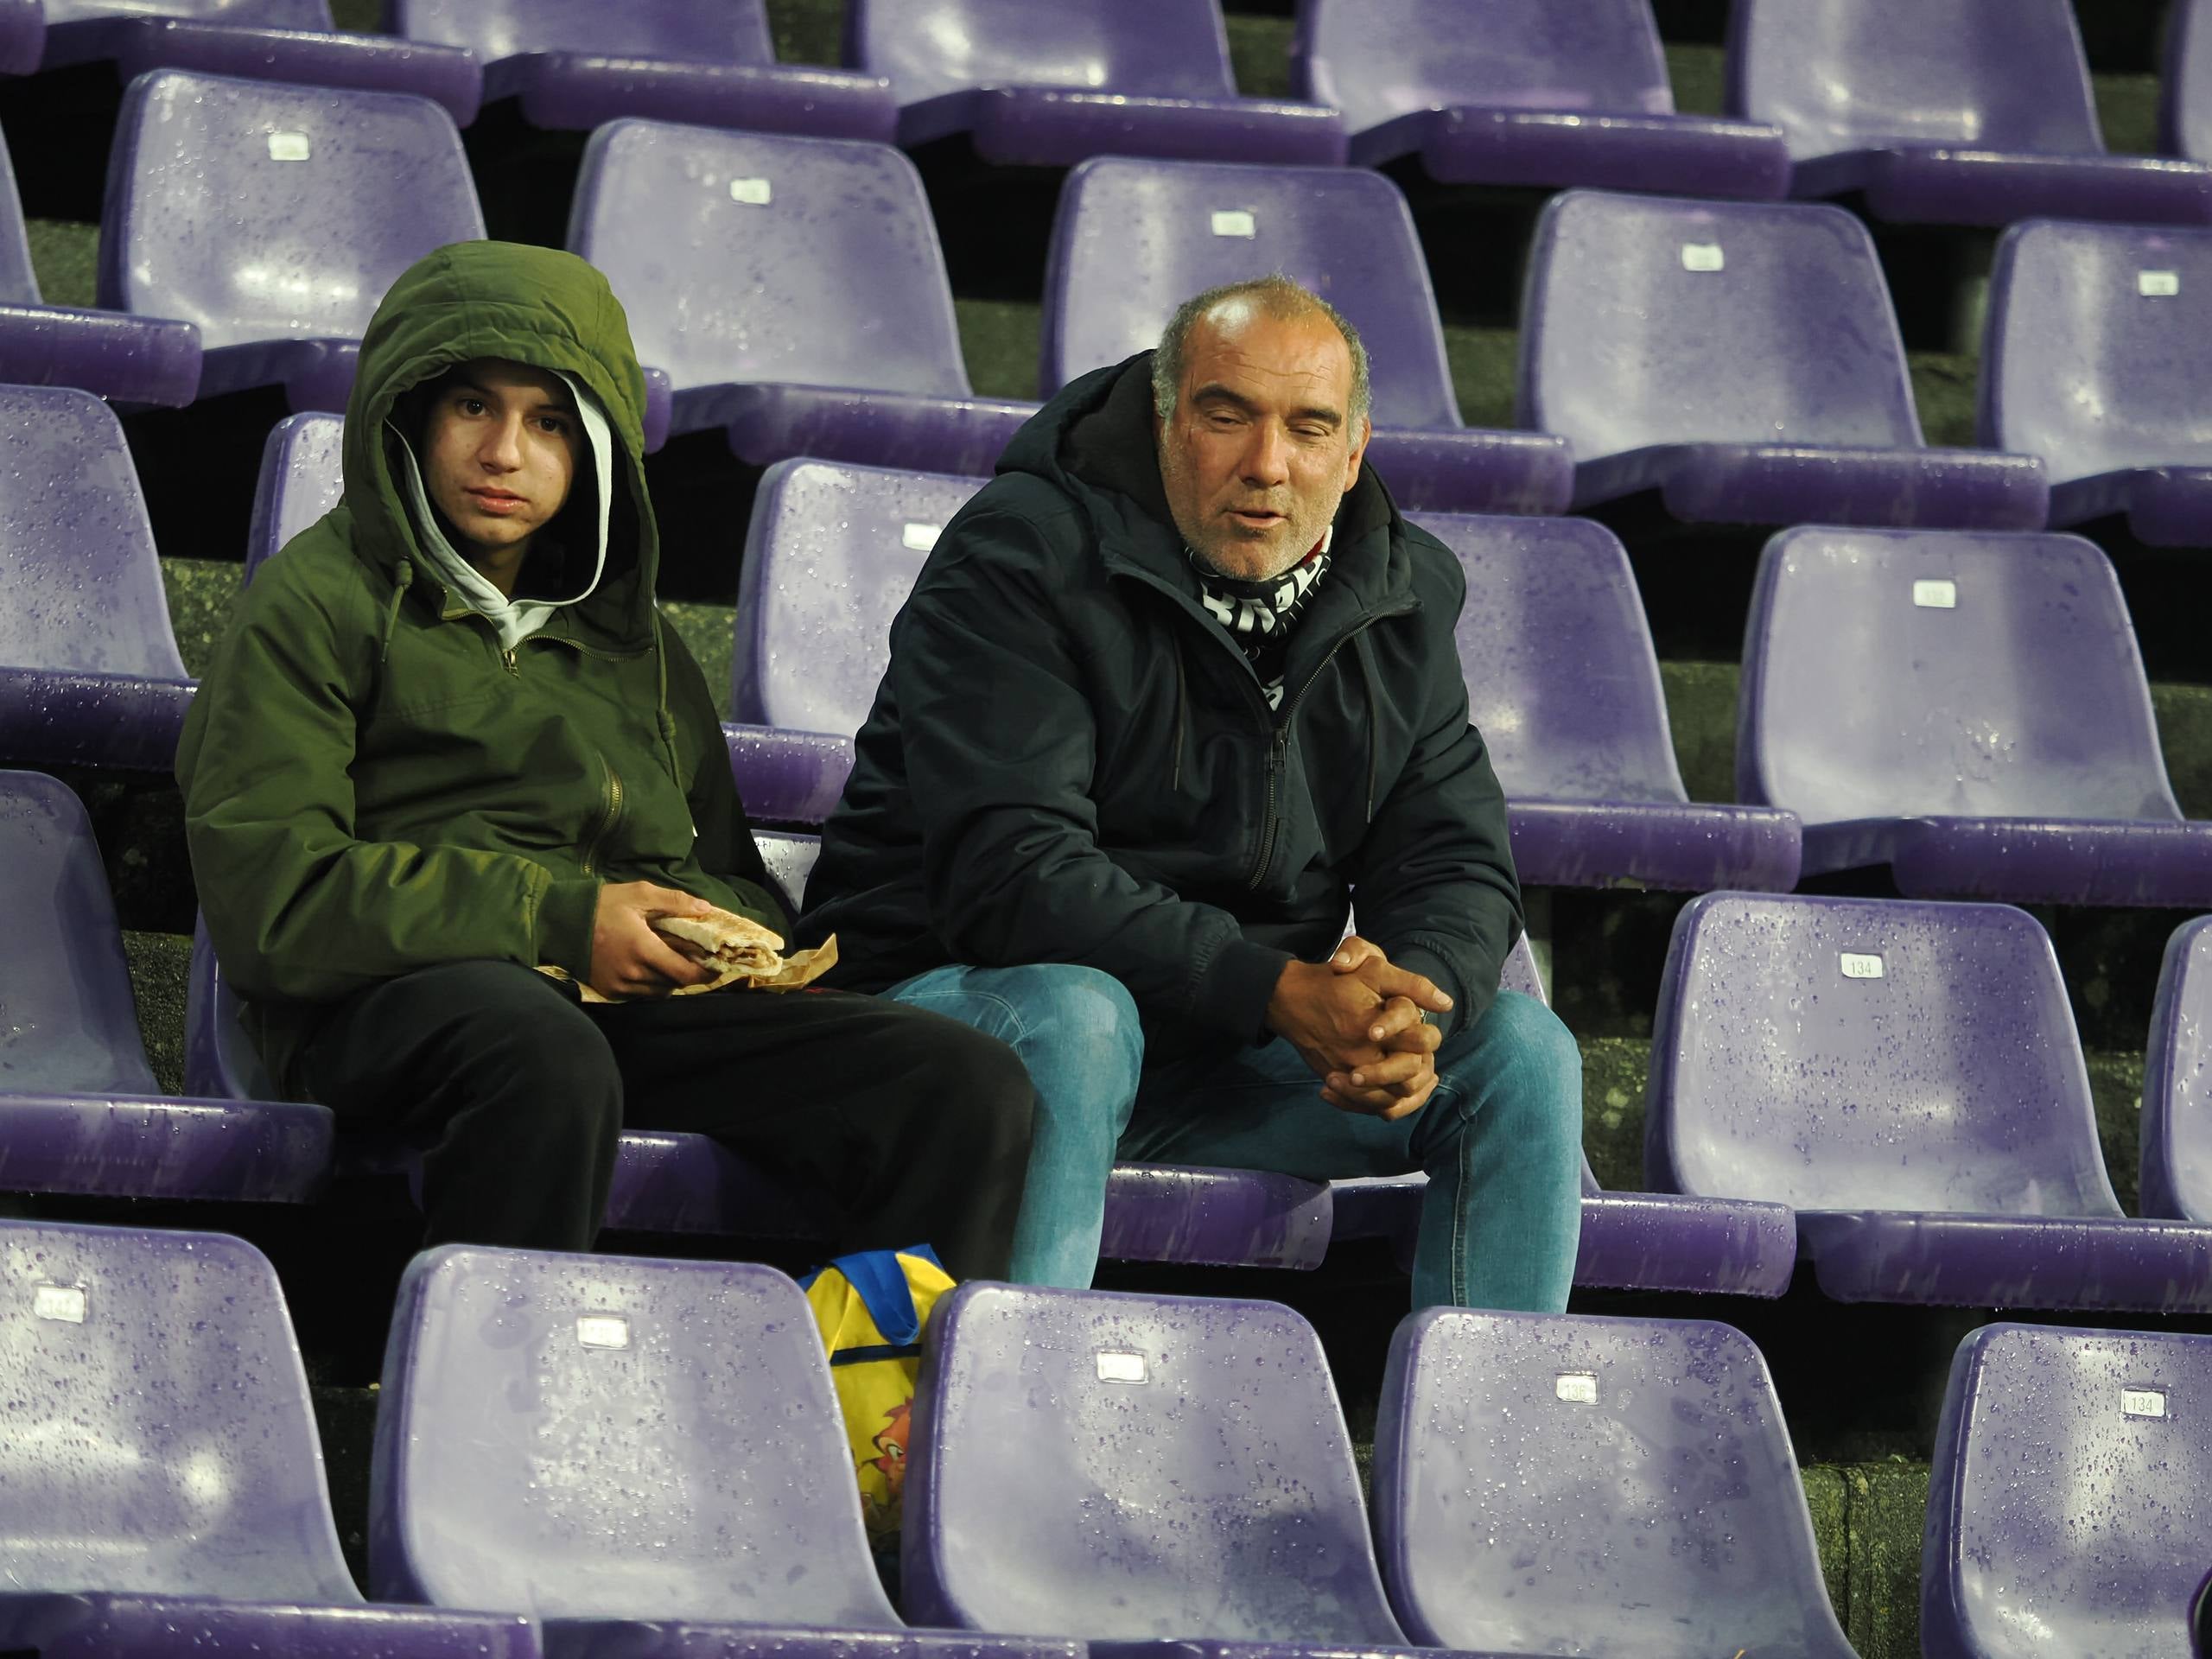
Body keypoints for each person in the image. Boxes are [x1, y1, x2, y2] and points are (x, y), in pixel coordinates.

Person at [177, 242, 1034, 1280]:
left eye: (548, 422)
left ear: (594, 455)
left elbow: (726, 873)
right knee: (540, 1054)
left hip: (607, 1009)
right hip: (392, 1000)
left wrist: (711, 934)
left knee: (958, 1084)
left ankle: (874, 1424)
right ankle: (489, 1417)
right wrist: (562, 919)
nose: (505, 452)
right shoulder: (311, 605)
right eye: (472, 409)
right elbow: (277, 902)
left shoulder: (640, 644)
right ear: (406, 416)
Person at [799, 274, 1582, 1308]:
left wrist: (1409, 1005)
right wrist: (1270, 984)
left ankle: (1493, 1456)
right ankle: (996, 1433)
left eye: (1308, 429)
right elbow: (1013, 874)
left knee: (1519, 1052)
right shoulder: (1022, 552)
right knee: (1079, 1017)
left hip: (1215, 1051)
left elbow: (1452, 854)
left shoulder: (1399, 594)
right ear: (1167, 421)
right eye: (1228, 416)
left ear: (1352, 455)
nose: (1267, 466)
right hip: (962, 1024)